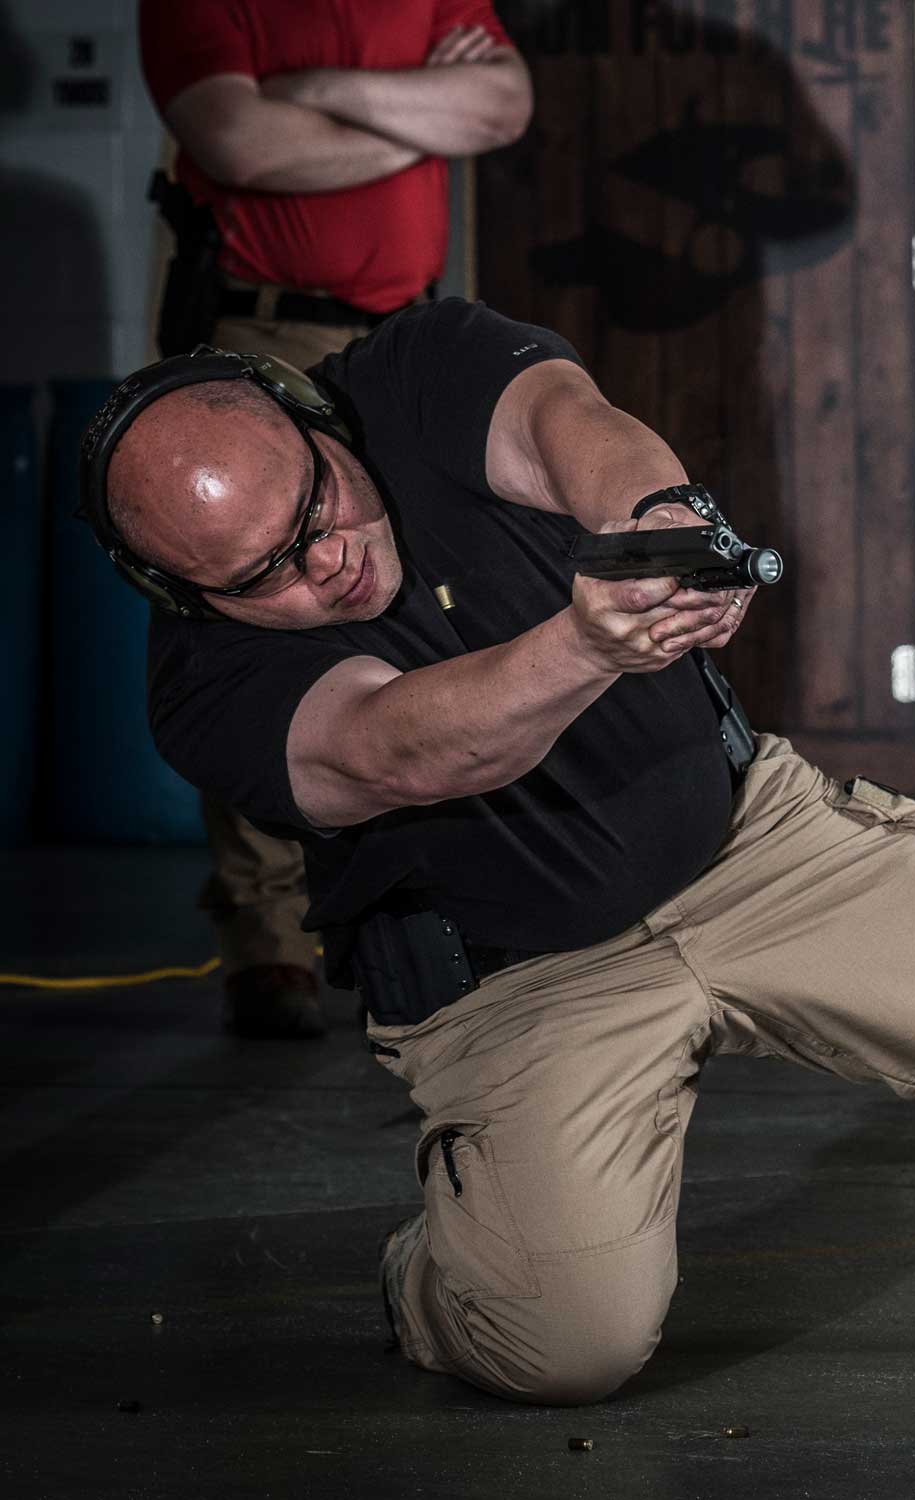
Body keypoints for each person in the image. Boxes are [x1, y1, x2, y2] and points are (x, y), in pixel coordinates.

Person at [81, 297, 915, 1407]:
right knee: (565, 1345)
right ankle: (432, 1277)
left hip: (756, 844)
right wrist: (590, 645)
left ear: (309, 416)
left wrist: (655, 521)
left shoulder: (410, 369)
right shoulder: (200, 691)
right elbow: (401, 747)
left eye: (316, 501)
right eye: (265, 572)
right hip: (521, 981)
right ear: (180, 592)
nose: (323, 555)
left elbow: (567, 426)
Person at [139, 0, 532, 1038]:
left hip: (404, 336)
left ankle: (444, 903)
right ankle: (269, 937)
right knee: (248, 620)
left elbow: (501, 107)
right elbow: (237, 140)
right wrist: (421, 114)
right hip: (263, 332)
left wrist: (318, 96)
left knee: (434, 595)